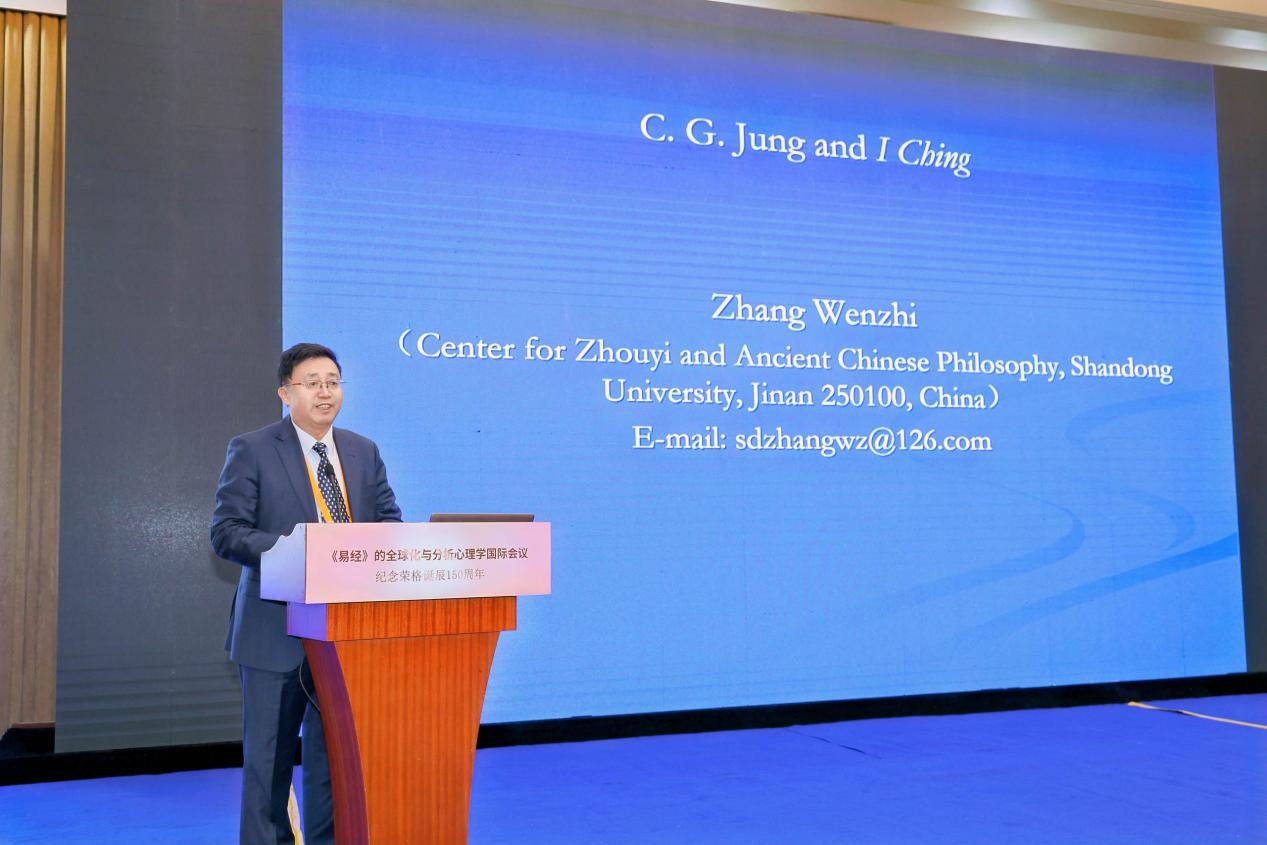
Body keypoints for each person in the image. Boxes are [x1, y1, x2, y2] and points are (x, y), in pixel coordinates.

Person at [211, 342, 402, 844]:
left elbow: (389, 523)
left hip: (348, 636)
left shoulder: (363, 451)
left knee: (336, 766)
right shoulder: (252, 448)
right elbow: (227, 533)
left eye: (333, 382)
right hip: (275, 631)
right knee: (268, 769)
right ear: (285, 392)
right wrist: (299, 551)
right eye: (312, 383)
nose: (325, 392)